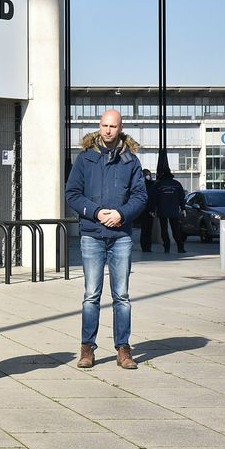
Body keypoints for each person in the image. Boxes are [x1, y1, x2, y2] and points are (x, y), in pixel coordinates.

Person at [65, 109, 147, 370]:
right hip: (92, 234)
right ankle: (87, 347)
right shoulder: (85, 159)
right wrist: (96, 212)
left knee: (121, 295)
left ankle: (123, 349)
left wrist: (121, 214)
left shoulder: (130, 161)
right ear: (99, 127)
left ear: (120, 128)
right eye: (104, 125)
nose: (108, 130)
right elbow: (72, 194)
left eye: (113, 126)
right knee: (91, 295)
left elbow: (141, 197)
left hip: (121, 235)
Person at [153, 163, 186, 253]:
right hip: (174, 210)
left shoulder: (159, 185)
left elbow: (154, 198)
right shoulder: (177, 184)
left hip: (162, 210)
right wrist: (183, 208)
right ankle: (180, 247)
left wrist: (152, 210)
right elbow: (181, 197)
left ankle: (166, 247)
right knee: (176, 229)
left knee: (164, 229)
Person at [139, 169, 156, 252]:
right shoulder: (150, 185)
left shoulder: (142, 184)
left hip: (144, 210)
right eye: (147, 174)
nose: (149, 176)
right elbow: (153, 198)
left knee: (145, 230)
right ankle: (146, 247)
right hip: (147, 210)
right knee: (147, 230)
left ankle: (146, 246)